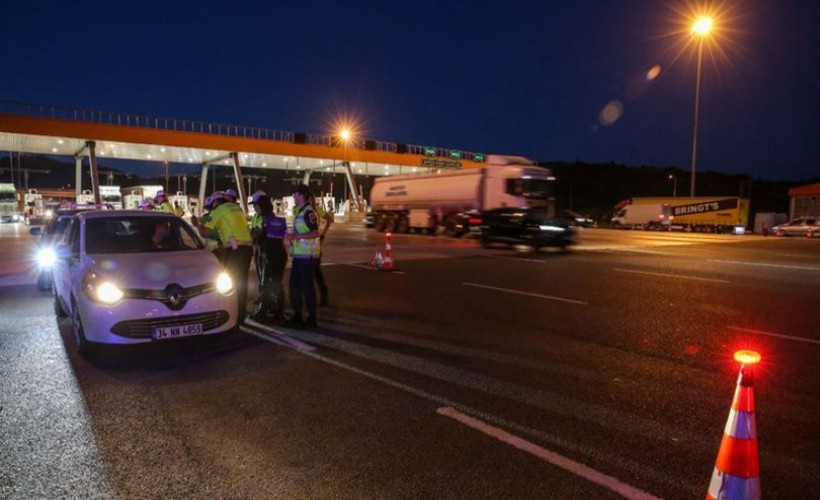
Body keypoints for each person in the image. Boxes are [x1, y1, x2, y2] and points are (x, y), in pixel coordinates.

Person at [191, 191, 253, 322]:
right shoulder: (236, 208)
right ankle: (241, 313)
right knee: (242, 282)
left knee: (232, 282)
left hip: (235, 249)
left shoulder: (219, 210)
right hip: (247, 248)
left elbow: (205, 232)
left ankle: (234, 314)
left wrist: (197, 225)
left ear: (215, 202)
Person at [283, 184, 321, 328]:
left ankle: (312, 318)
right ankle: (297, 315)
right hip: (299, 256)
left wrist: (294, 237)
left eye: (295, 194)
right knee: (294, 286)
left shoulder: (308, 212)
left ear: (301, 195)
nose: (293, 196)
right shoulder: (300, 211)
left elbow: (315, 233)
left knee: (307, 287)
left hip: (308, 256)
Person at [249, 191, 287, 323]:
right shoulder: (273, 219)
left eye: (256, 205)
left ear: (262, 205)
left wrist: (255, 233)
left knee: (267, 283)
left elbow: (259, 237)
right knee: (275, 283)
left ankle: (264, 311)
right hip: (277, 254)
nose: (254, 207)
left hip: (269, 255)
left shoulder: (266, 220)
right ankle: (277, 310)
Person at [311, 193, 334, 306]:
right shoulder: (299, 209)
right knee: (313, 272)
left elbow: (330, 219)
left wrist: (322, 234)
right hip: (305, 247)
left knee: (315, 272)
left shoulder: (316, 210)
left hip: (315, 245)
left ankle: (323, 295)